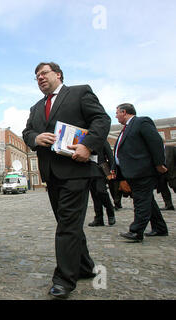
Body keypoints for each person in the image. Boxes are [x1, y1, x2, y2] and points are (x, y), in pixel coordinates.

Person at [23, 62, 111, 299]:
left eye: (44, 73)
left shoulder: (80, 92)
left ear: (58, 74)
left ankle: (64, 279)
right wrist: (36, 137)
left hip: (76, 170)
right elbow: (27, 132)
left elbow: (101, 120)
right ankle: (84, 266)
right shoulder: (36, 107)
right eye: (36, 76)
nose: (40, 77)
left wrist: (87, 145)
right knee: (68, 222)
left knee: (67, 226)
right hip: (51, 174)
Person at [113, 103, 169, 241]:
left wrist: (159, 163)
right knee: (147, 200)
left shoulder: (141, 122)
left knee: (141, 200)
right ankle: (160, 227)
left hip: (143, 170)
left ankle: (136, 231)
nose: (115, 116)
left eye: (117, 113)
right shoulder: (124, 129)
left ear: (124, 112)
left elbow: (156, 142)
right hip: (132, 172)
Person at [88, 140, 116, 227]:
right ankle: (98, 218)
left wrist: (113, 169)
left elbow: (110, 155)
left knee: (101, 191)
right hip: (89, 170)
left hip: (101, 170)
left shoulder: (102, 140)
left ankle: (110, 211)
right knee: (94, 195)